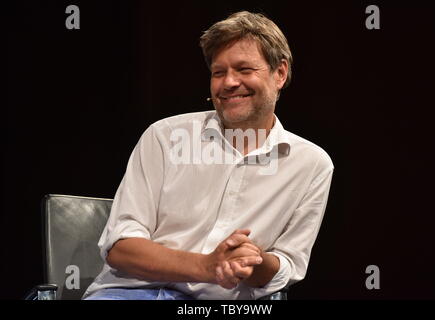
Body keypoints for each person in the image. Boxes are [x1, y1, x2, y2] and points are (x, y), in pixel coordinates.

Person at [83, 11, 334, 300]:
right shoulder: (164, 137)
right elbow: (121, 248)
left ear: (280, 73)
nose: (228, 82)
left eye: (244, 69)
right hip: (131, 294)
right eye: (218, 72)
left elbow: (288, 264)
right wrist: (206, 266)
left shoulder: (312, 164)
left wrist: (252, 262)